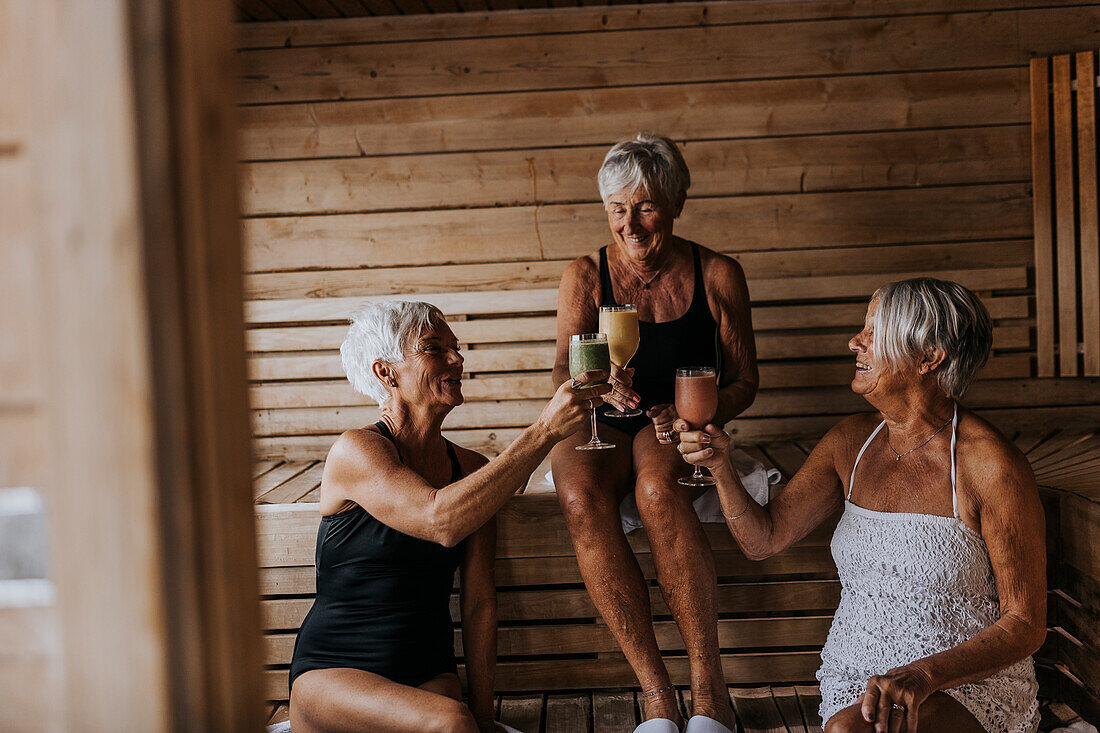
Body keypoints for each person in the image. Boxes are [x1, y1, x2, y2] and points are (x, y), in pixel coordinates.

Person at [677, 279, 1045, 733]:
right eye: (861, 328)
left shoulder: (991, 465)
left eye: (874, 331)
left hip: (962, 684)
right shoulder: (850, 442)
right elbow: (763, 540)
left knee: (848, 732)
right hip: (853, 679)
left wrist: (923, 675)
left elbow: (1025, 623)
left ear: (929, 357)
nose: (855, 341)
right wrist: (719, 465)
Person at [289, 300, 609, 733]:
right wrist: (545, 431)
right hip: (335, 675)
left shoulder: (473, 470)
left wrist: (482, 715)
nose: (457, 359)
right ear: (387, 373)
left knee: (460, 722)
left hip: (427, 673)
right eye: (434, 348)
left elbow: (478, 602)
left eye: (455, 348)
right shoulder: (357, 451)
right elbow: (439, 520)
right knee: (449, 722)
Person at [551, 133, 758, 733]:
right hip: (596, 417)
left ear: (676, 202)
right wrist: (594, 383)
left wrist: (696, 415)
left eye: (644, 206)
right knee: (580, 497)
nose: (631, 226)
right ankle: (656, 697)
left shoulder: (718, 274)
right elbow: (564, 370)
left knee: (658, 492)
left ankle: (708, 692)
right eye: (617, 209)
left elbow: (745, 380)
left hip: (672, 423)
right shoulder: (585, 276)